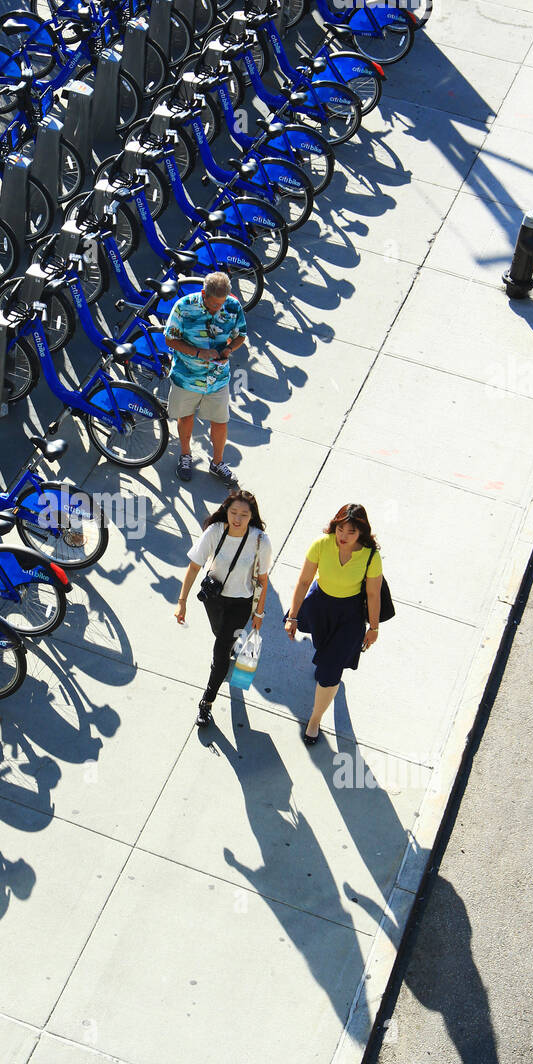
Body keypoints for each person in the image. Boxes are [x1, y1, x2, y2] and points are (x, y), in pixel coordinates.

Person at [284, 502, 384, 744]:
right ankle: (328, 671)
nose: (344, 536)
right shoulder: (322, 544)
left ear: (362, 532)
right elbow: (304, 580)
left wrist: (374, 627)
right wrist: (293, 616)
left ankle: (315, 720)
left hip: (349, 617)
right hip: (320, 606)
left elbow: (373, 595)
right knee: (322, 649)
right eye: (341, 529)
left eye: (351, 532)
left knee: (329, 671)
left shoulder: (371, 556)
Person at [174, 490, 271, 728]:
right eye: (233, 512)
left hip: (241, 602)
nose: (237, 519)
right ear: (226, 511)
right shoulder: (215, 531)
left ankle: (206, 701)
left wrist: (258, 613)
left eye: (244, 515)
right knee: (219, 634)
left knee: (220, 650)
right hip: (213, 598)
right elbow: (195, 566)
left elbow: (262, 580)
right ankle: (226, 649)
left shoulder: (260, 541)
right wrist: (182, 601)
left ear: (252, 516)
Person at [164, 271, 248, 486]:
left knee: (220, 421)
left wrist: (229, 349)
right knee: (186, 417)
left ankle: (217, 462)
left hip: (218, 378)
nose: (217, 308)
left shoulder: (233, 306)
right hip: (187, 377)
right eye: (213, 305)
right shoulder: (184, 307)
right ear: (203, 293)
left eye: (221, 304)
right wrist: (198, 353)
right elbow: (170, 339)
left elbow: (241, 335)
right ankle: (185, 456)